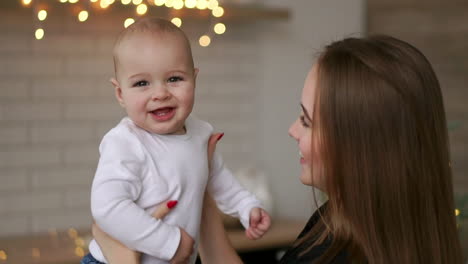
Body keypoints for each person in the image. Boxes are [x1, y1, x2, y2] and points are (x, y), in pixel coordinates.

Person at [94, 34, 464, 264]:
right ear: (119, 92)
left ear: (360, 142)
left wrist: (123, 256)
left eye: (306, 120)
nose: (291, 130)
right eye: (142, 83)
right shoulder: (335, 221)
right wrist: (202, 184)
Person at [83, 17, 271, 264]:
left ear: (194, 79)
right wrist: (168, 242)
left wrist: (247, 207)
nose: (160, 93)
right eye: (142, 83)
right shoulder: (125, 142)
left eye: (174, 79)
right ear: (120, 93)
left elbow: (219, 180)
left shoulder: (200, 133)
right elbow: (107, 208)